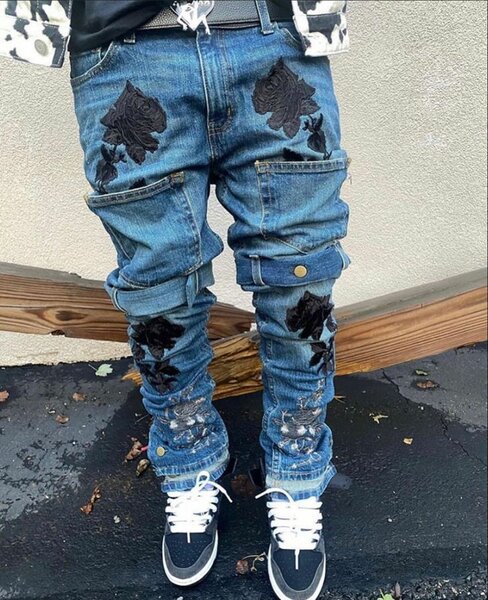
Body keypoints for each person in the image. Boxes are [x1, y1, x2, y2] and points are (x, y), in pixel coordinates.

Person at [0, 1, 351, 599]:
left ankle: (298, 470)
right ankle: (189, 462)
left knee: (301, 286)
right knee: (157, 295)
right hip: (122, 45)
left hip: (272, 33)